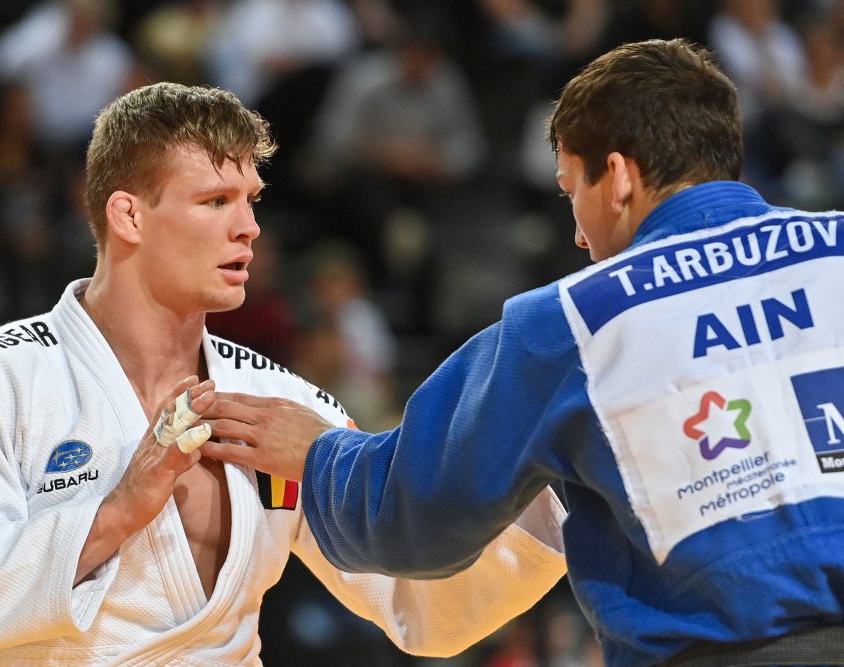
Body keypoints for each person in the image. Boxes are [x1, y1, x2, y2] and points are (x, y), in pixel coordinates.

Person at [0, 82, 568, 665]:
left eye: (252, 200)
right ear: (129, 215)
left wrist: (560, 491)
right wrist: (114, 514)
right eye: (214, 201)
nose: (249, 228)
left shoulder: (277, 402)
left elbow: (421, 602)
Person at [200, 39, 844, 666]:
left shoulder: (574, 321)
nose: (578, 234)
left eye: (571, 192)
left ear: (616, 177)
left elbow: (417, 515)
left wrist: (318, 456)